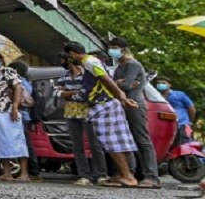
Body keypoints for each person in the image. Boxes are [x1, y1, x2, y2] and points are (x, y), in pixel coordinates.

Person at [63, 42, 140, 188]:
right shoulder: (91, 62)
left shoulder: (90, 62)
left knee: (112, 141)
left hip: (104, 105)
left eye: (68, 56)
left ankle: (128, 176)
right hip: (108, 104)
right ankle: (124, 175)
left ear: (71, 54)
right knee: (119, 140)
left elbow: (106, 80)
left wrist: (122, 97)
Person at [110, 37, 160, 188]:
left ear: (123, 49)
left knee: (142, 139)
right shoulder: (119, 67)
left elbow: (124, 86)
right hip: (123, 105)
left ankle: (152, 176)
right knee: (126, 140)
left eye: (114, 47)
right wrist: (119, 83)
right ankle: (128, 173)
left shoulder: (133, 64)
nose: (112, 51)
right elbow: (116, 85)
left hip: (135, 105)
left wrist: (119, 83)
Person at [54, 53, 108, 186]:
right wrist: (75, 93)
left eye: (64, 60)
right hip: (71, 114)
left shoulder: (86, 76)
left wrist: (68, 93)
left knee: (95, 145)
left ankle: (101, 174)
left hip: (88, 113)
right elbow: (57, 93)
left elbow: (86, 94)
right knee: (77, 146)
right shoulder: (63, 78)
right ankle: (85, 175)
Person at [0, 52, 29, 182]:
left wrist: (14, 107)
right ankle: (7, 173)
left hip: (7, 111)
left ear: (1, 60)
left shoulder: (8, 71)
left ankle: (24, 173)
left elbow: (18, 88)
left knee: (16, 140)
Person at [8, 61, 41, 178]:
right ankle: (31, 169)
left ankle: (32, 169)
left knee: (24, 143)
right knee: (25, 142)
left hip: (20, 115)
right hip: (24, 116)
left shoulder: (19, 82)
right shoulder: (26, 82)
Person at [156, 76, 196, 144]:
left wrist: (189, 121)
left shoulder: (179, 94)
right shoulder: (155, 96)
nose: (160, 84)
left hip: (181, 124)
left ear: (169, 85)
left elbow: (191, 108)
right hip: (164, 126)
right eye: (159, 83)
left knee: (184, 144)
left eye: (163, 83)